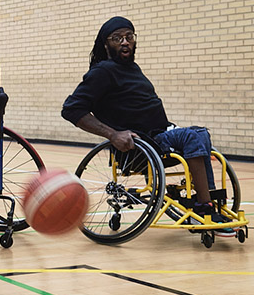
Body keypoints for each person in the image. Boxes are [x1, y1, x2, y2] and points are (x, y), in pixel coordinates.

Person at [61, 16, 225, 223]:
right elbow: (71, 109)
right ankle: (204, 205)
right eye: (117, 38)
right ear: (106, 44)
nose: (125, 41)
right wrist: (112, 134)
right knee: (195, 136)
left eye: (129, 36)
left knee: (201, 134)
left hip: (159, 137)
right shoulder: (102, 71)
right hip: (139, 145)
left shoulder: (133, 68)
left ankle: (208, 199)